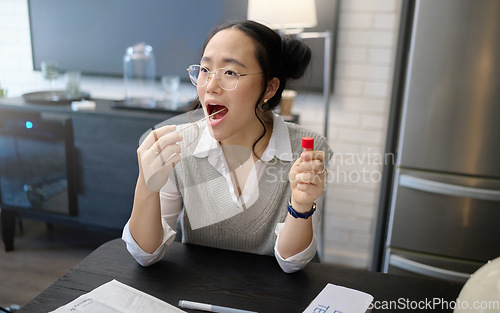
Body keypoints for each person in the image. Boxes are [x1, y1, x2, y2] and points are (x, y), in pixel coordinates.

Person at [122, 19, 332, 273]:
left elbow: (291, 263)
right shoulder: (179, 145)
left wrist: (301, 205)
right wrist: (146, 183)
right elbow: (145, 254)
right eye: (204, 69)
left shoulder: (306, 150)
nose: (210, 85)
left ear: (269, 87)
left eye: (230, 72)